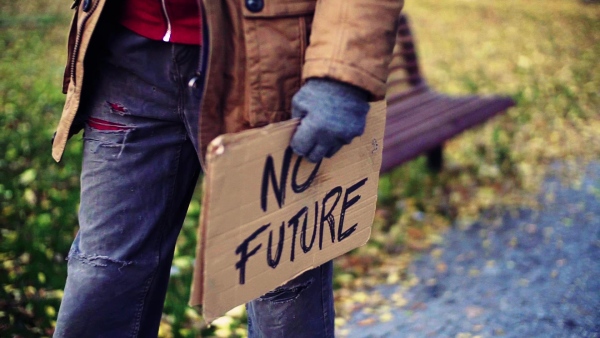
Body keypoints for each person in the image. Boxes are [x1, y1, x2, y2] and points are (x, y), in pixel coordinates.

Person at [51, 0, 402, 336]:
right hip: (126, 58)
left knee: (280, 287)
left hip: (263, 66)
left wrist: (341, 75)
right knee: (101, 275)